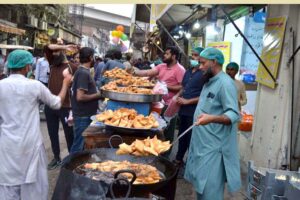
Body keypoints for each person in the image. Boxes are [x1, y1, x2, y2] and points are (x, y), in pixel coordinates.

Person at [0, 50, 71, 200]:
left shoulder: (1, 86)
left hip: (7, 144)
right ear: (27, 67)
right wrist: (65, 84)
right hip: (30, 144)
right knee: (33, 189)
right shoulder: (34, 86)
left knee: (8, 186)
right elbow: (56, 103)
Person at [184, 47, 241, 200]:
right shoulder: (208, 81)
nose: (200, 67)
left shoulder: (225, 84)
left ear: (214, 62)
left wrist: (212, 118)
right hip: (201, 147)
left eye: (202, 63)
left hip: (214, 151)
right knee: (201, 192)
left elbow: (234, 114)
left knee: (211, 194)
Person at [134, 46, 186, 150]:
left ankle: (165, 155)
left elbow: (182, 87)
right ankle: (154, 151)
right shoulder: (161, 66)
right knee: (155, 128)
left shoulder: (180, 70)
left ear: (174, 56)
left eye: (167, 54)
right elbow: (148, 72)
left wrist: (166, 86)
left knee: (168, 132)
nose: (164, 56)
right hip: (157, 103)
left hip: (169, 105)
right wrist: (134, 71)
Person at [44, 43, 78, 169]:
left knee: (69, 135)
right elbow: (48, 47)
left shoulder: (73, 66)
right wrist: (63, 47)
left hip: (66, 107)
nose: (53, 53)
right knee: (52, 133)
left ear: (63, 54)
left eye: (57, 51)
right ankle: (56, 157)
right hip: (50, 105)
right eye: (54, 51)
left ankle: (71, 159)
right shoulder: (52, 63)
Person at [173, 47, 207, 167]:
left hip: (194, 111)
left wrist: (188, 101)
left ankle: (191, 163)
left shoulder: (204, 74)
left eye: (196, 55)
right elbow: (183, 87)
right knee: (181, 135)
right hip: (183, 111)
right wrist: (177, 96)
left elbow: (205, 95)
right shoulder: (188, 72)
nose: (194, 58)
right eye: (192, 55)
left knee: (191, 138)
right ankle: (178, 159)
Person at [70, 47, 102, 153]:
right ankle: (69, 167)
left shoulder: (84, 71)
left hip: (84, 114)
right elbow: (80, 97)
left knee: (82, 145)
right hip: (82, 116)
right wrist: (98, 95)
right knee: (78, 146)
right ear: (90, 57)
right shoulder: (83, 73)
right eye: (93, 57)